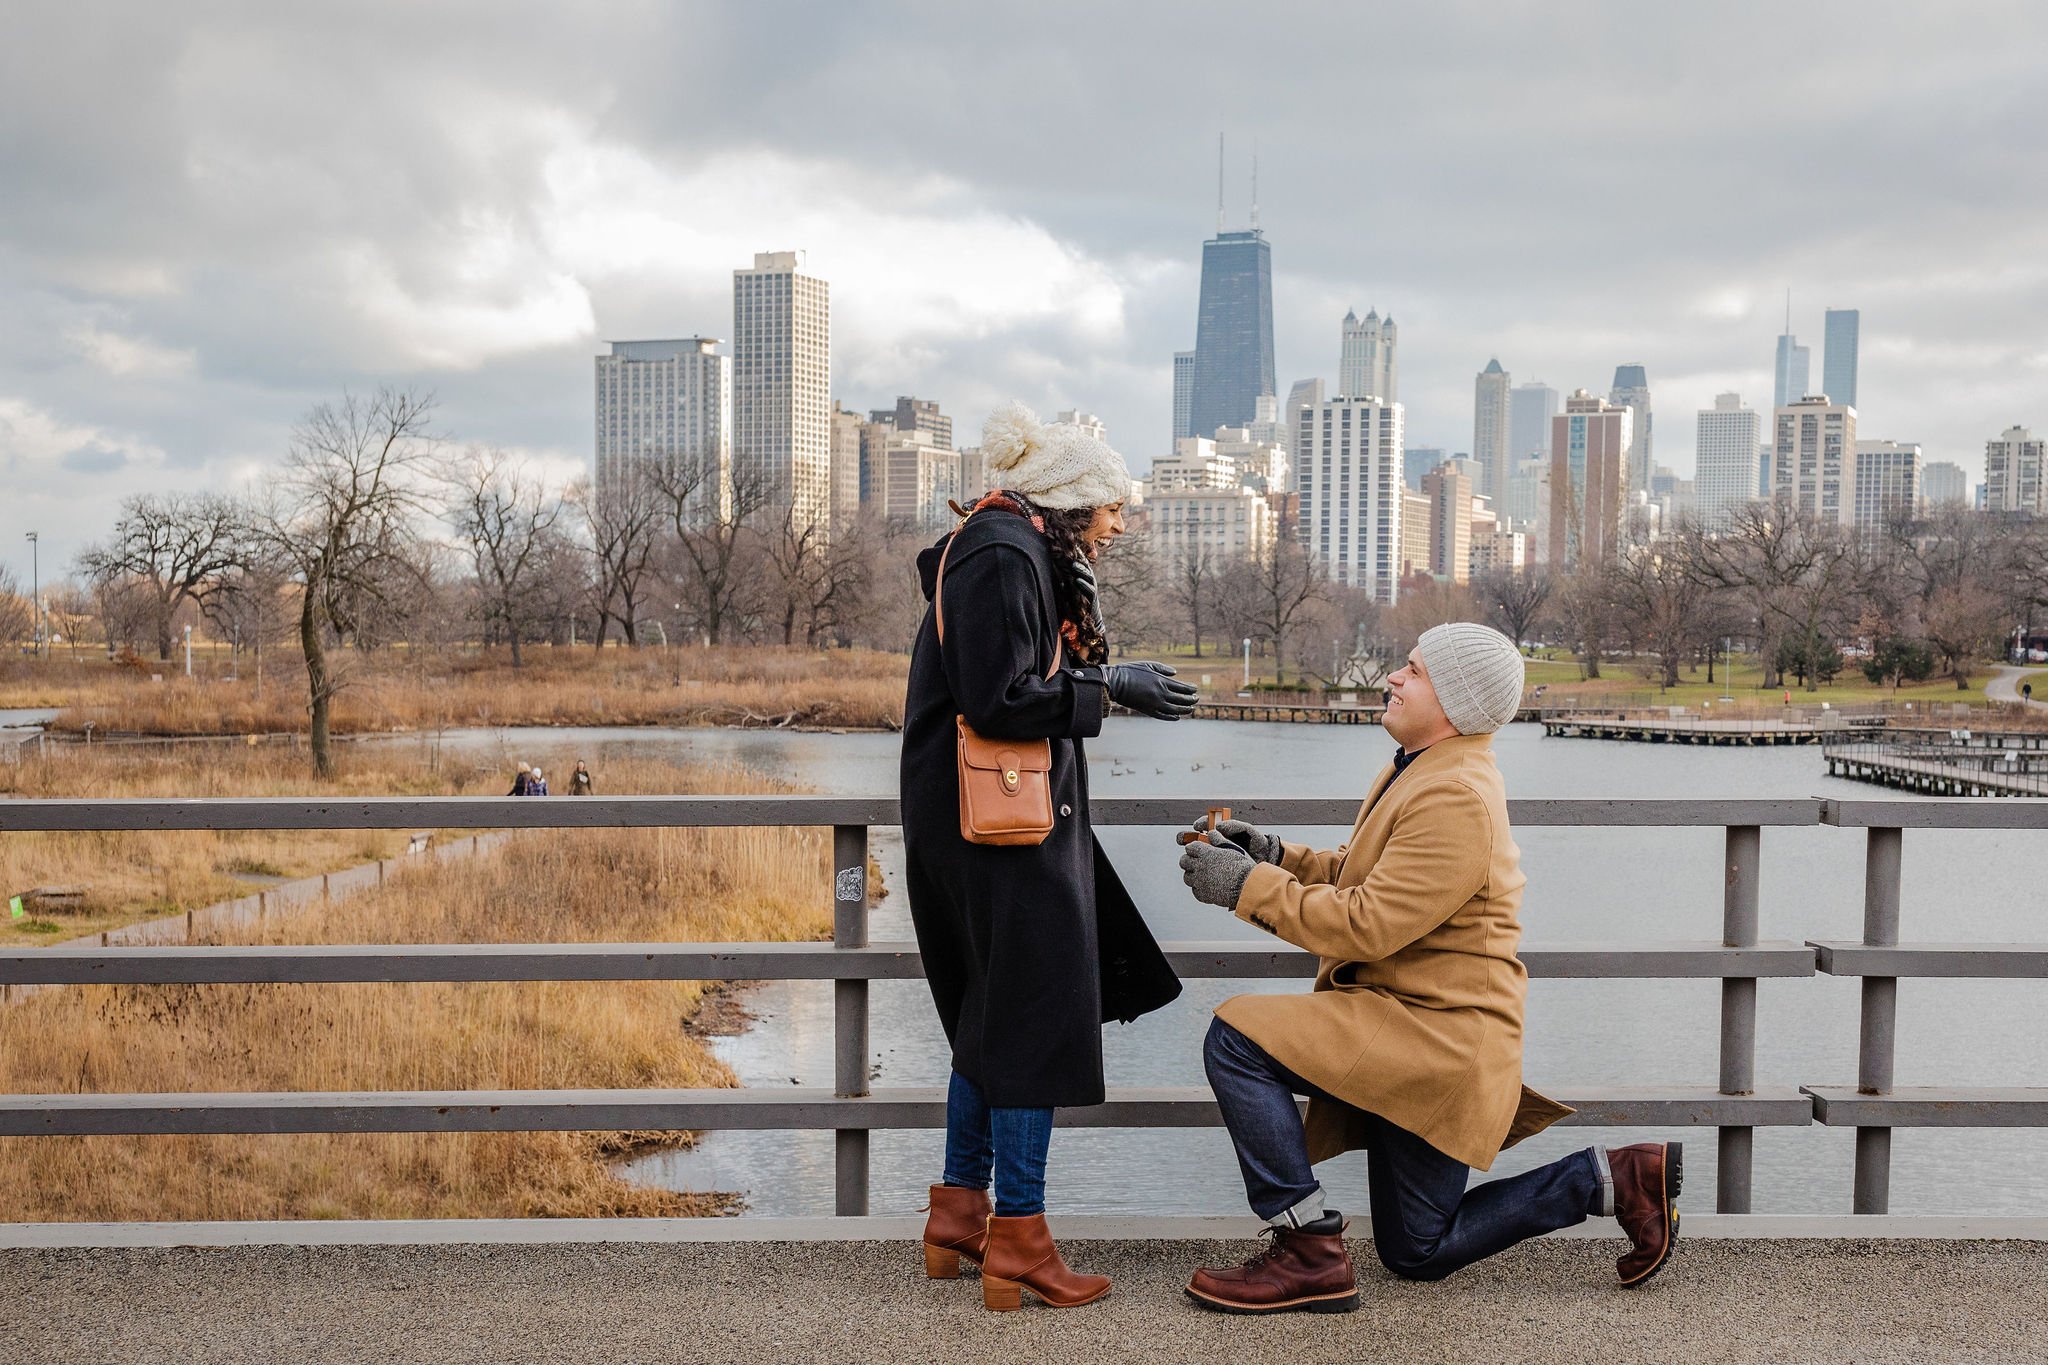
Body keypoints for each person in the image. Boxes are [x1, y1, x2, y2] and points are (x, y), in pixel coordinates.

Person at [1175, 622, 1682, 1315]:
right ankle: (1613, 1177)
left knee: (1235, 1038)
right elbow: (1367, 876)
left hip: (1432, 1039)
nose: (1393, 677)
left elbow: (1367, 923)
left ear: (1454, 699)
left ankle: (1306, 1249)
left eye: (1412, 670)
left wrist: (1243, 888)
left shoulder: (1456, 797)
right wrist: (1274, 855)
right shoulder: (1424, 765)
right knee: (1419, 1249)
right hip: (1413, 1027)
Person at [902, 403, 1191, 1313]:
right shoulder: (1000, 554)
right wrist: (1113, 685)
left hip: (988, 823)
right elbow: (997, 699)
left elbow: (1008, 684)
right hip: (995, 834)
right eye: (1108, 506)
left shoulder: (1011, 549)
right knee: (1029, 1022)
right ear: (1067, 501)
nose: (1117, 523)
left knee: (993, 1015)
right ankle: (1019, 1240)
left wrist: (1102, 680)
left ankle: (960, 1213)